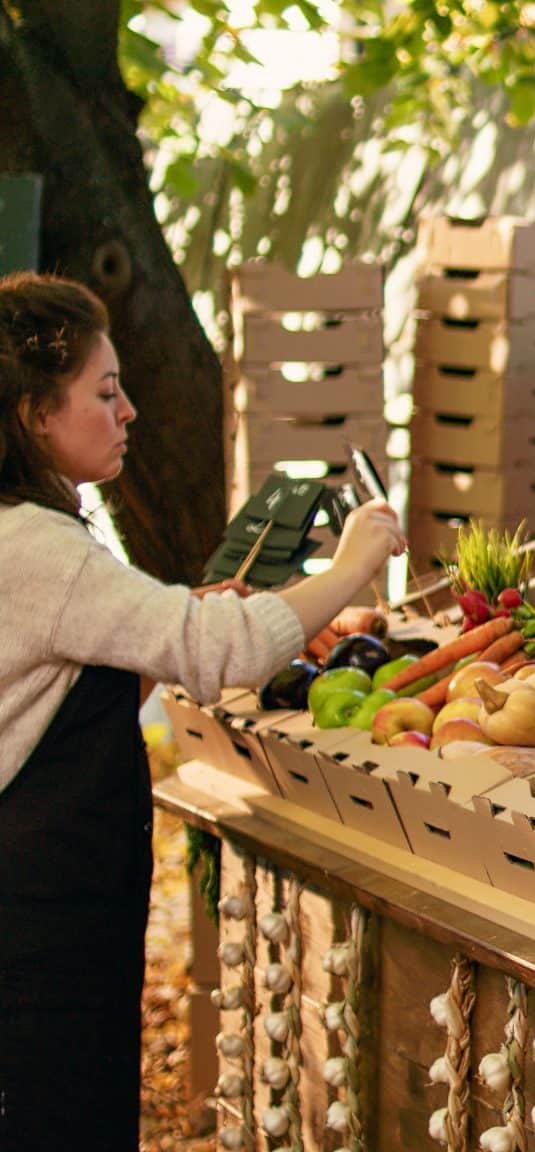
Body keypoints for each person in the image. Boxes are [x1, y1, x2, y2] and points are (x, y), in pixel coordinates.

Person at [0, 272, 406, 1146]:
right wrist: (349, 567)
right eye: (105, 393)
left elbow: (45, 684)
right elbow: (219, 652)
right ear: (36, 413)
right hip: (35, 921)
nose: (130, 411)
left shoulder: (21, 531)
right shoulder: (38, 546)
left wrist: (176, 618)